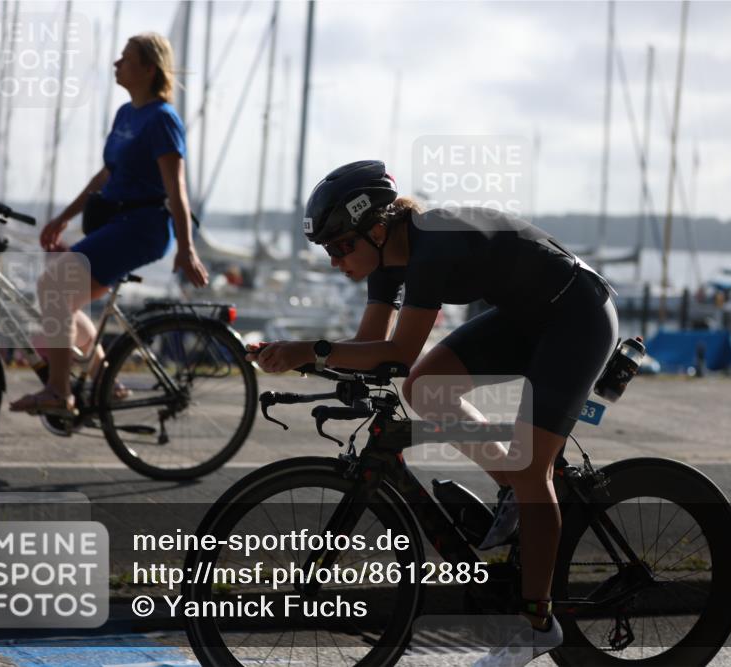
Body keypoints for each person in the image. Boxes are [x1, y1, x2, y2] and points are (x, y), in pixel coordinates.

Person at [247, 160, 620, 667]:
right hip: (525, 319)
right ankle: (513, 485)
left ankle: (536, 624)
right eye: (326, 251)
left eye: (339, 247)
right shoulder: (386, 260)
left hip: (577, 316)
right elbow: (367, 348)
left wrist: (308, 350)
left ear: (376, 228)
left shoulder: (432, 245)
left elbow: (397, 351)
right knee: (428, 387)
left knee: (533, 470)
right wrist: (299, 360)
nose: (335, 261)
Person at [9, 33, 208, 415]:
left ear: (149, 69)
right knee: (59, 300)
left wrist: (186, 249)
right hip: (118, 221)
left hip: (143, 227)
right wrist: (63, 217)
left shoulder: (163, 120)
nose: (117, 64)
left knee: (54, 284)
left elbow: (176, 188)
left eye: (125, 59)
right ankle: (104, 382)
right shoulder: (126, 114)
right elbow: (106, 174)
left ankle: (59, 392)